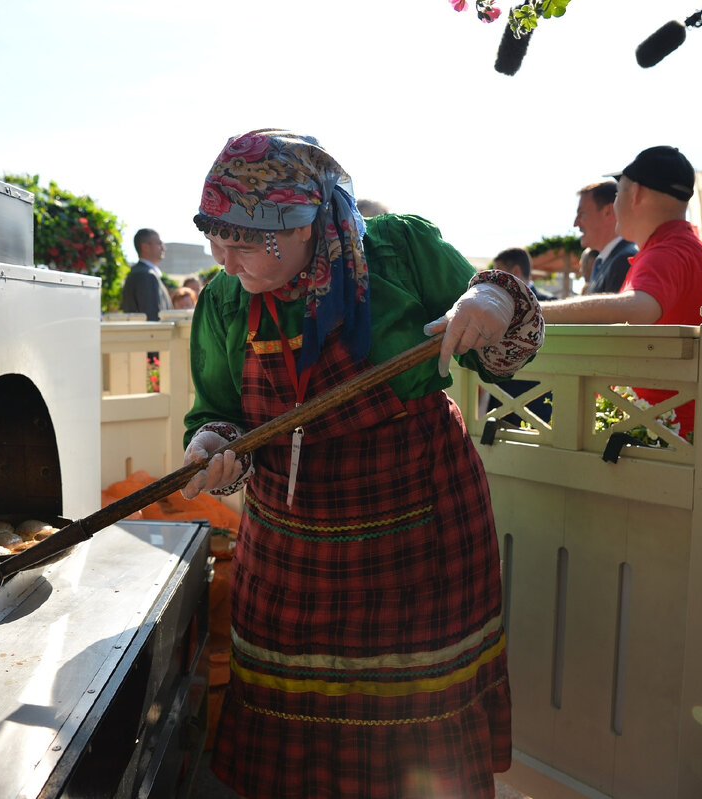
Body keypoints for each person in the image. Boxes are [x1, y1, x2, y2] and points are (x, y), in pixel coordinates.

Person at [179, 129, 544, 798]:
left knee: (415, 725)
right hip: (293, 544)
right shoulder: (227, 300)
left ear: (307, 220)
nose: (225, 256)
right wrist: (213, 445)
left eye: (248, 239)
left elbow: (502, 335)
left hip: (420, 531)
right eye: (214, 235)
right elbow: (215, 411)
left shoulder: (399, 253)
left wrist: (495, 301)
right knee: (293, 724)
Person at [541, 146, 702, 436]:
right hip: (689, 431)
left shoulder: (666, 251)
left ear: (637, 194)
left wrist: (532, 309)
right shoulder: (700, 252)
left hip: (659, 439)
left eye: (618, 193)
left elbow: (638, 308)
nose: (616, 202)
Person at [574, 181, 638, 294]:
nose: (576, 223)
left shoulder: (624, 260)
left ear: (608, 212)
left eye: (582, 214)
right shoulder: (605, 261)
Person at [120, 228, 172, 320]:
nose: (163, 248)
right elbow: (152, 318)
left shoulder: (143, 273)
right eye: (159, 244)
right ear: (145, 247)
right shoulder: (145, 275)